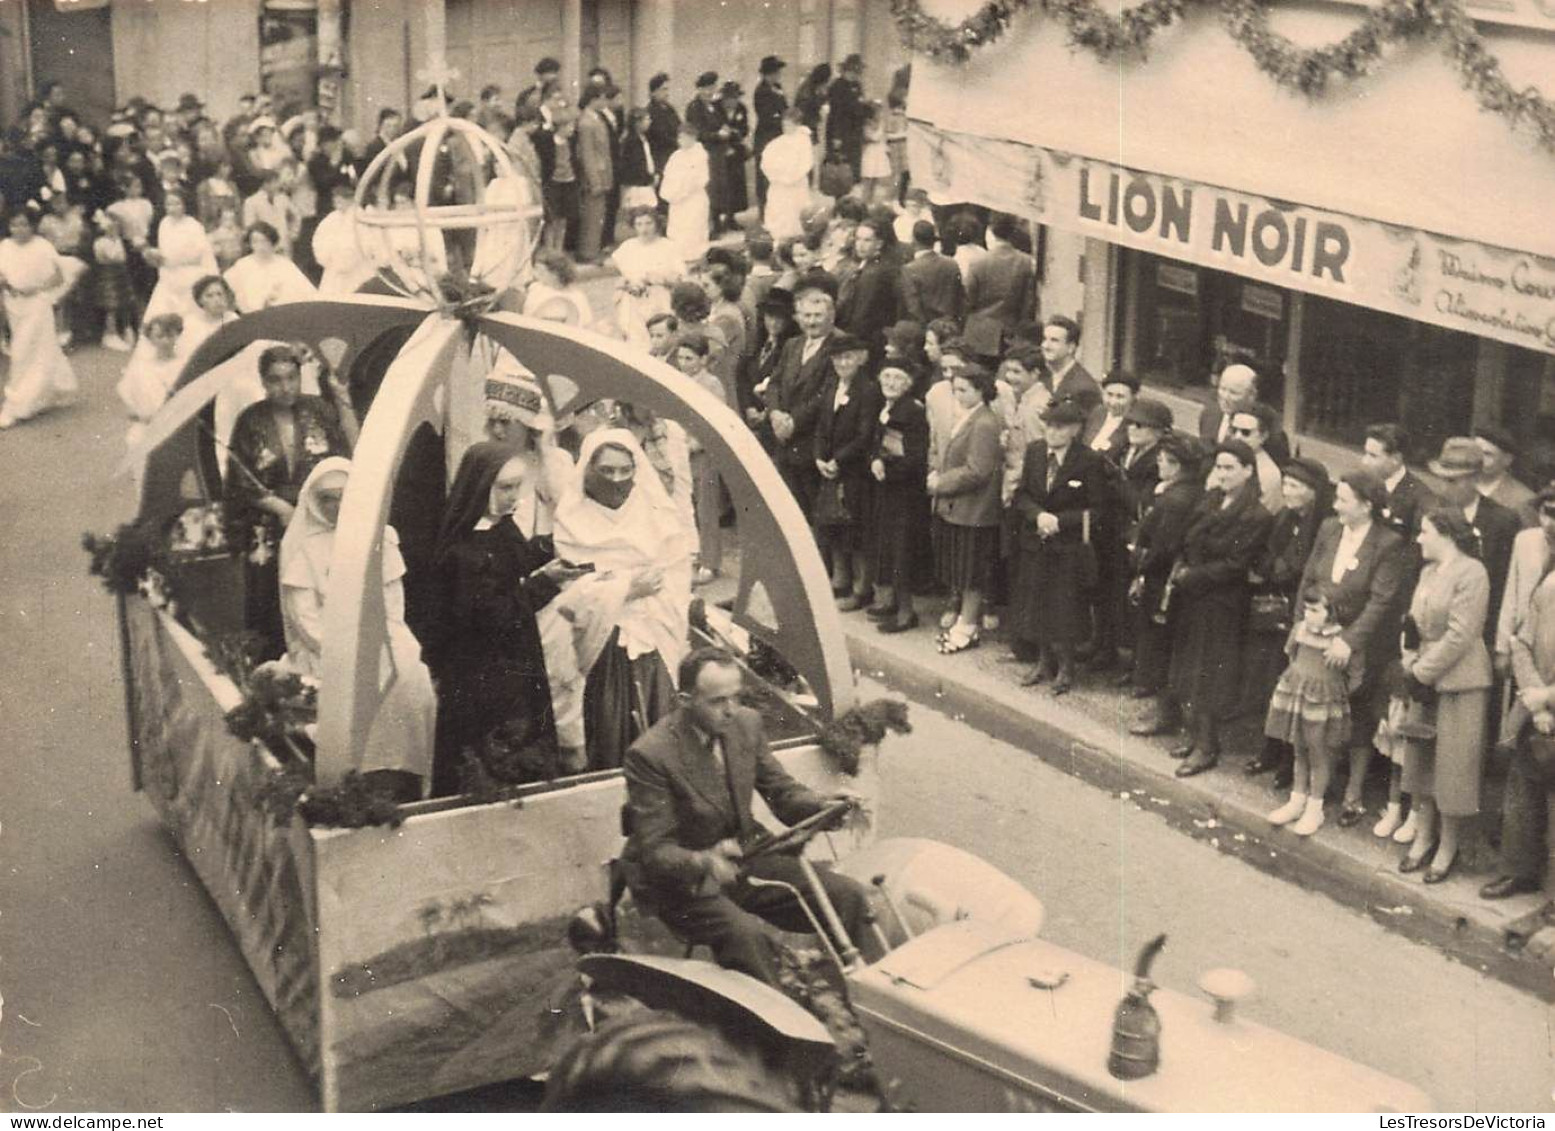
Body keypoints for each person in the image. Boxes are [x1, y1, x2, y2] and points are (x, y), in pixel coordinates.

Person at [620, 646, 873, 987]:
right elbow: (655, 851)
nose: (730, 710)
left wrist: (822, 805)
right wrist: (705, 861)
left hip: (748, 855)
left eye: (735, 697)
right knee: (748, 937)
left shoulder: (746, 724)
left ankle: (856, 997)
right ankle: (779, 1032)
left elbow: (781, 792)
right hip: (683, 881)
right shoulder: (650, 755)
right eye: (717, 701)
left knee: (848, 897)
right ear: (684, 700)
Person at [424, 441, 590, 795]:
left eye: (517, 487)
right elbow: (492, 614)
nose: (513, 496)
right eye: (505, 488)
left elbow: (514, 558)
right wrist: (545, 583)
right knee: (491, 760)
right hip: (482, 674)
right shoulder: (461, 550)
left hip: (514, 659)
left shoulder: (499, 526)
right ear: (480, 486)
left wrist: (557, 548)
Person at [279, 458, 435, 801]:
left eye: (343, 497)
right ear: (314, 502)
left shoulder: (380, 538)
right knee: (354, 684)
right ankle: (354, 779)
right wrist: (347, 649)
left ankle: (402, 772)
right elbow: (306, 621)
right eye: (327, 499)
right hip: (327, 648)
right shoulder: (304, 550)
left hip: (381, 636)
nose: (336, 507)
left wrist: (380, 641)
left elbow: (393, 602)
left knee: (411, 675)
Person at [552, 429, 696, 772]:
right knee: (609, 726)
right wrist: (627, 589)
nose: (616, 480)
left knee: (662, 728)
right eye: (606, 471)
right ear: (589, 469)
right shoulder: (572, 520)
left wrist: (628, 590)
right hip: (603, 646)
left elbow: (673, 575)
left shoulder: (657, 516)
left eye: (624, 471)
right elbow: (571, 591)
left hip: (653, 638)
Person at [1292, 471, 1409, 824]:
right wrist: (1302, 622)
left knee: (1357, 716)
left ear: (1367, 505)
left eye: (1343, 499)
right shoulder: (1329, 528)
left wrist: (1348, 640)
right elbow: (1309, 578)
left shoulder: (1387, 543)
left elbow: (1381, 600)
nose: (1335, 505)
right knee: (1315, 713)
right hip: (1317, 634)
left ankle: (1353, 794)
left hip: (1361, 643)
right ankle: (1312, 791)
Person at [224, 345, 355, 660]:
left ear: (300, 376)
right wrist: (280, 508)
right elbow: (239, 481)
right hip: (272, 523)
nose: (285, 387)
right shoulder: (250, 420)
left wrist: (342, 400)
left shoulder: (319, 410)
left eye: (292, 378)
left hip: (317, 518)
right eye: (275, 380)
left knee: (318, 594)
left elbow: (343, 458)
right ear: (263, 382)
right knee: (272, 597)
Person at [1163, 439, 1274, 777]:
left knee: (1209, 674)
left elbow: (1234, 565)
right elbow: (1188, 538)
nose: (1222, 474)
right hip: (1195, 598)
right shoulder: (1211, 499)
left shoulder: (1256, 514)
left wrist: (1191, 574)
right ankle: (1195, 734)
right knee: (1189, 666)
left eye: (1229, 468)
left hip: (1222, 604)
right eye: (1219, 467)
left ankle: (1207, 746)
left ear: (1247, 472)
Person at [1397, 507, 1493, 883]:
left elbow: (1461, 633)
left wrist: (1421, 672)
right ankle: (1423, 836)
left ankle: (1448, 846)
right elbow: (1414, 622)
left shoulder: (1473, 573)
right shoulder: (1427, 572)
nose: (1419, 538)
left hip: (1460, 681)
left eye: (1424, 532)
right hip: (1424, 676)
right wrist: (1407, 658)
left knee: (1453, 767)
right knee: (1421, 761)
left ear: (1446, 534)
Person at [1008, 398, 1112, 694]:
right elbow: (1023, 494)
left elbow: (1098, 508)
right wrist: (1037, 515)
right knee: (1037, 601)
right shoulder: (1036, 452)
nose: (1052, 433)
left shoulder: (1087, 460)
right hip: (1037, 541)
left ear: (1075, 430)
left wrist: (1060, 521)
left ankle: (1066, 667)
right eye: (1049, 426)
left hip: (1068, 547)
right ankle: (1043, 662)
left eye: (1060, 427)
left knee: (1065, 607)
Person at [1239, 457, 1332, 780]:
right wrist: (1274, 567)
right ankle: (1270, 748)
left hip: (1300, 611)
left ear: (1313, 491)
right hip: (1274, 608)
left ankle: (1291, 761)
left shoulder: (1322, 526)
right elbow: (1265, 555)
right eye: (1286, 485)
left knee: (1296, 686)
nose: (1287, 492)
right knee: (1272, 684)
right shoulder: (1284, 518)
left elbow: (1301, 566)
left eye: (1295, 486)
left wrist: (1278, 568)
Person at [1482, 488, 1555, 901]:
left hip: (1546, 703)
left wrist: (1548, 699)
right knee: (1521, 789)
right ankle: (1517, 870)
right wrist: (1533, 696)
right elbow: (1521, 641)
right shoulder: (1548, 587)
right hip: (1534, 704)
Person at [1265, 590, 1363, 836]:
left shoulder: (1341, 640)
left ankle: (1314, 808)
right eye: (1307, 609)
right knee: (1299, 748)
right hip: (1299, 694)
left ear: (1332, 613)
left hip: (1323, 701)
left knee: (1319, 753)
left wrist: (1333, 692)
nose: (1308, 615)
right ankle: (1296, 801)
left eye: (1315, 610)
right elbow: (1292, 654)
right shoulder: (1299, 629)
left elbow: (1356, 675)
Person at [929, 363, 1005, 655]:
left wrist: (940, 482)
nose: (957, 395)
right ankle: (964, 621)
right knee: (963, 567)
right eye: (955, 389)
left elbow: (978, 470)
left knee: (972, 570)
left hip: (975, 510)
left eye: (963, 390)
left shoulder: (984, 422)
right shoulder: (971, 417)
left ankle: (968, 625)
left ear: (981, 391)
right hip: (961, 508)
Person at [1127, 433, 1203, 720]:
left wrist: (1140, 567)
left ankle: (1161, 707)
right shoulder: (1189, 491)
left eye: (1163, 460)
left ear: (1177, 466)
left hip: (1163, 581)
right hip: (1170, 577)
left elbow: (1162, 547)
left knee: (1158, 641)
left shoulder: (1174, 500)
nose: (1159, 465)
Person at [1429, 436, 1520, 650]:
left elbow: (1501, 588)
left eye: (1453, 481)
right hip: (1432, 633)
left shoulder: (1502, 522)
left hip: (1475, 638)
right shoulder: (1431, 512)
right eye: (1441, 479)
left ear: (1476, 478)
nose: (1444, 488)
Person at [813, 333, 881, 611]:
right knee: (833, 526)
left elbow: (864, 435)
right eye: (838, 358)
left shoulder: (867, 390)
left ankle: (861, 589)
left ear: (859, 359)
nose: (843, 362)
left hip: (854, 471)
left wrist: (838, 460)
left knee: (855, 531)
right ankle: (840, 581)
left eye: (848, 357)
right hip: (830, 468)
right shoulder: (831, 386)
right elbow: (821, 426)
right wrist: (819, 456)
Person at [866, 359, 929, 634]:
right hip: (887, 488)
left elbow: (915, 458)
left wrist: (886, 468)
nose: (890, 383)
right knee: (887, 544)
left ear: (907, 384)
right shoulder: (886, 407)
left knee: (901, 548)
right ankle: (891, 601)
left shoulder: (911, 413)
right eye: (887, 376)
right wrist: (874, 461)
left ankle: (906, 612)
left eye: (897, 378)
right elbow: (876, 444)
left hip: (905, 492)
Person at [0, 207, 78, 429]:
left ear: (32, 226)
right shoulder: (4, 247)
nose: (19, 229)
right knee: (33, 349)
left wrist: (37, 288)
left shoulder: (42, 246)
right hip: (14, 305)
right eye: (15, 225)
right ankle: (52, 389)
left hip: (36, 304)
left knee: (27, 352)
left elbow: (59, 275)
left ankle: (18, 404)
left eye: (24, 224)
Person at [610, 205, 683, 348]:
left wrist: (658, 278)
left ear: (656, 224)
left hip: (659, 300)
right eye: (639, 224)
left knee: (658, 338)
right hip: (633, 302)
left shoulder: (668, 246)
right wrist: (625, 284)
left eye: (649, 223)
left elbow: (678, 278)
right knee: (635, 340)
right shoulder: (628, 247)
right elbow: (621, 275)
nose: (644, 228)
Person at [963, 214, 1035, 355]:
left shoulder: (977, 262)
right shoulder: (1025, 262)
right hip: (1010, 331)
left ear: (990, 231)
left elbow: (968, 299)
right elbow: (1028, 303)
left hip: (980, 332)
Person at [143, 188, 216, 321]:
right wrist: (156, 256)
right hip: (169, 276)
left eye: (177, 204)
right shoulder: (164, 223)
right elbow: (163, 248)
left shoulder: (193, 225)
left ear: (185, 205)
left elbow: (200, 254)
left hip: (189, 275)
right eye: (169, 204)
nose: (173, 208)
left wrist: (175, 259)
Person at [1197, 362, 1291, 465]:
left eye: (1233, 393)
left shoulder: (1269, 427)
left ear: (1252, 395)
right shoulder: (1209, 415)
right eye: (1222, 389)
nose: (1225, 397)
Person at [115, 312, 184, 447]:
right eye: (159, 336)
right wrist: (143, 416)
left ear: (177, 335)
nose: (165, 341)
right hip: (147, 426)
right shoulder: (140, 368)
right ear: (150, 339)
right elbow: (129, 407)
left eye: (170, 336)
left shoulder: (184, 364)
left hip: (177, 426)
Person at [836, 217, 900, 359]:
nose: (860, 245)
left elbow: (862, 314)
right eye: (858, 239)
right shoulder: (866, 265)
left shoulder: (876, 272)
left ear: (879, 244)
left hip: (868, 341)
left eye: (867, 240)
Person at [224, 221, 316, 313]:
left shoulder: (285, 264)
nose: (260, 246)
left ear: (272, 242)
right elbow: (230, 290)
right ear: (250, 244)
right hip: (253, 316)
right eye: (255, 241)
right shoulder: (243, 265)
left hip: (284, 313)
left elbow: (307, 292)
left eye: (265, 241)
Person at [311, 181, 374, 295]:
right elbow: (319, 239)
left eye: (341, 201)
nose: (337, 204)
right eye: (335, 201)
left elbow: (366, 242)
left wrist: (349, 260)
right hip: (334, 266)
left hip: (357, 267)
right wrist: (327, 258)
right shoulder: (331, 218)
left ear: (350, 200)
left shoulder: (361, 217)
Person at [660, 122, 710, 264]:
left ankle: (696, 258)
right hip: (677, 200)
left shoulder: (700, 154)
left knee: (693, 228)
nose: (682, 141)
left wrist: (682, 192)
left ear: (693, 137)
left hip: (693, 198)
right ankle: (680, 258)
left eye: (685, 137)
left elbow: (696, 179)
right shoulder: (676, 156)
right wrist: (671, 194)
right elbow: (668, 175)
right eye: (680, 138)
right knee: (678, 229)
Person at [759, 110, 813, 242]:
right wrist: (777, 175)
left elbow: (806, 163)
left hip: (796, 185)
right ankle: (779, 239)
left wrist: (791, 177)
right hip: (779, 184)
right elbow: (766, 162)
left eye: (789, 125)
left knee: (794, 214)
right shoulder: (777, 142)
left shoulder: (803, 141)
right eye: (784, 125)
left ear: (797, 124)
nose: (786, 128)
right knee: (778, 213)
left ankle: (794, 240)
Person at [576, 87, 616, 264]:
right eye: (601, 99)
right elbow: (587, 154)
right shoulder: (586, 122)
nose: (604, 103)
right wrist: (594, 180)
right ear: (593, 100)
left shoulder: (596, 119)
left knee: (598, 214)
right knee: (592, 215)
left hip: (603, 171)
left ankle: (593, 248)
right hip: (595, 175)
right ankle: (588, 251)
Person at [900, 219, 964, 326]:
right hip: (951, 325)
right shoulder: (951, 263)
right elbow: (960, 297)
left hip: (927, 328)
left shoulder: (910, 269)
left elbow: (913, 307)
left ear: (914, 240)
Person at [1227, 402, 1285, 516]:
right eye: (1234, 430)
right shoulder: (1225, 457)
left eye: (1246, 432)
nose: (1237, 437)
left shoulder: (1268, 474)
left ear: (1263, 436)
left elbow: (1262, 518)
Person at [1475, 424, 1536, 526]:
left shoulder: (1523, 500)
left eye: (1488, 454)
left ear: (1507, 460)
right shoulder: (1460, 485)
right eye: (1476, 452)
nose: (1479, 459)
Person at [1040, 315, 1101, 416]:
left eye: (1054, 340)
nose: (1046, 346)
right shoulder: (1042, 376)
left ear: (1071, 347)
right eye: (1044, 339)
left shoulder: (1084, 387)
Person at [752, 56, 788, 210]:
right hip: (766, 138)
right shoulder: (762, 91)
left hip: (778, 136)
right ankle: (764, 210)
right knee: (765, 176)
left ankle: (776, 208)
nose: (778, 75)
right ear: (767, 74)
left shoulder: (777, 88)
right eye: (775, 72)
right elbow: (768, 116)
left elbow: (785, 109)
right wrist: (781, 117)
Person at [715, 82, 751, 234]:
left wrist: (736, 133)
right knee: (721, 187)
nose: (732, 101)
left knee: (736, 186)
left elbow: (744, 128)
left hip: (736, 151)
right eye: (729, 98)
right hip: (721, 151)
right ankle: (718, 219)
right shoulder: (716, 108)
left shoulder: (741, 108)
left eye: (735, 98)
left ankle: (732, 217)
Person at [523, 249, 592, 326]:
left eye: (540, 271)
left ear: (554, 274)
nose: (534, 274)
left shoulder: (538, 290)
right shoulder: (535, 288)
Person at [826, 55, 867, 180]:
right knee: (840, 168)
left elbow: (860, 106)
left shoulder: (857, 86)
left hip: (855, 133)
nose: (855, 74)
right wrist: (837, 136)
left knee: (853, 168)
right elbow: (836, 113)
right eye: (852, 71)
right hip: (842, 132)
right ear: (845, 70)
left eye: (857, 71)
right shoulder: (837, 86)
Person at [645, 74, 682, 181]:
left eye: (667, 89)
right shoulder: (651, 111)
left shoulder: (670, 109)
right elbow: (660, 135)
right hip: (660, 158)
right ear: (654, 92)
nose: (667, 93)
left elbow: (679, 126)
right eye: (663, 89)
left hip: (674, 156)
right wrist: (677, 142)